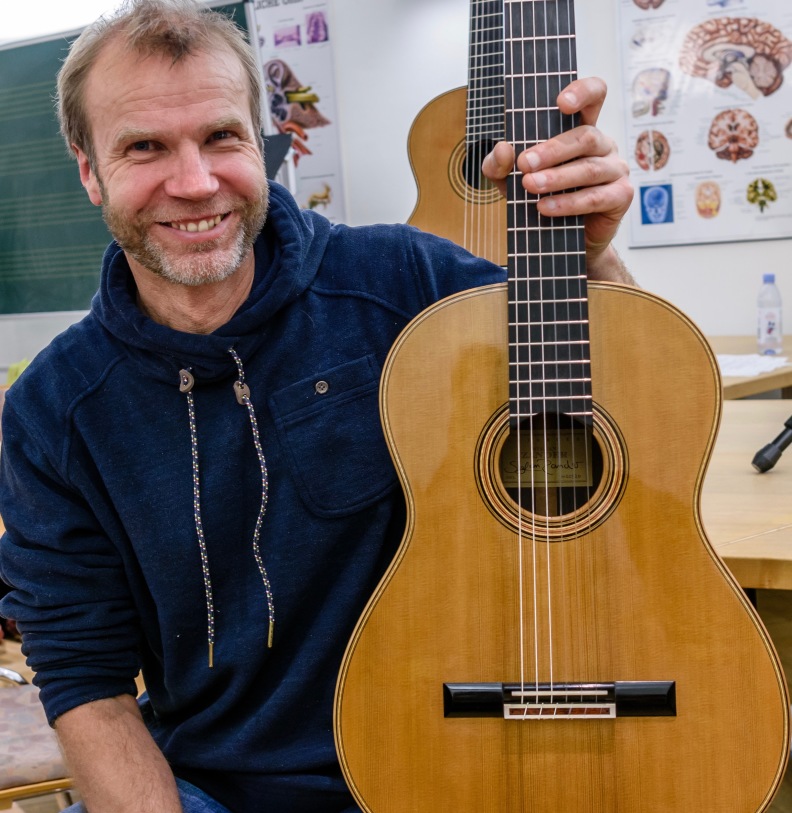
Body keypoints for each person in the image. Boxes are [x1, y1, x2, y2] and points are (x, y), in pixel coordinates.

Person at [0, 1, 634, 811]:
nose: (195, 183)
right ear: (90, 170)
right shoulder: (54, 410)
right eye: (145, 147)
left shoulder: (407, 286)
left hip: (463, 757)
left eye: (222, 137)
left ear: (264, 143)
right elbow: (86, 680)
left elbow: (622, 410)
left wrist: (597, 249)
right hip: (212, 789)